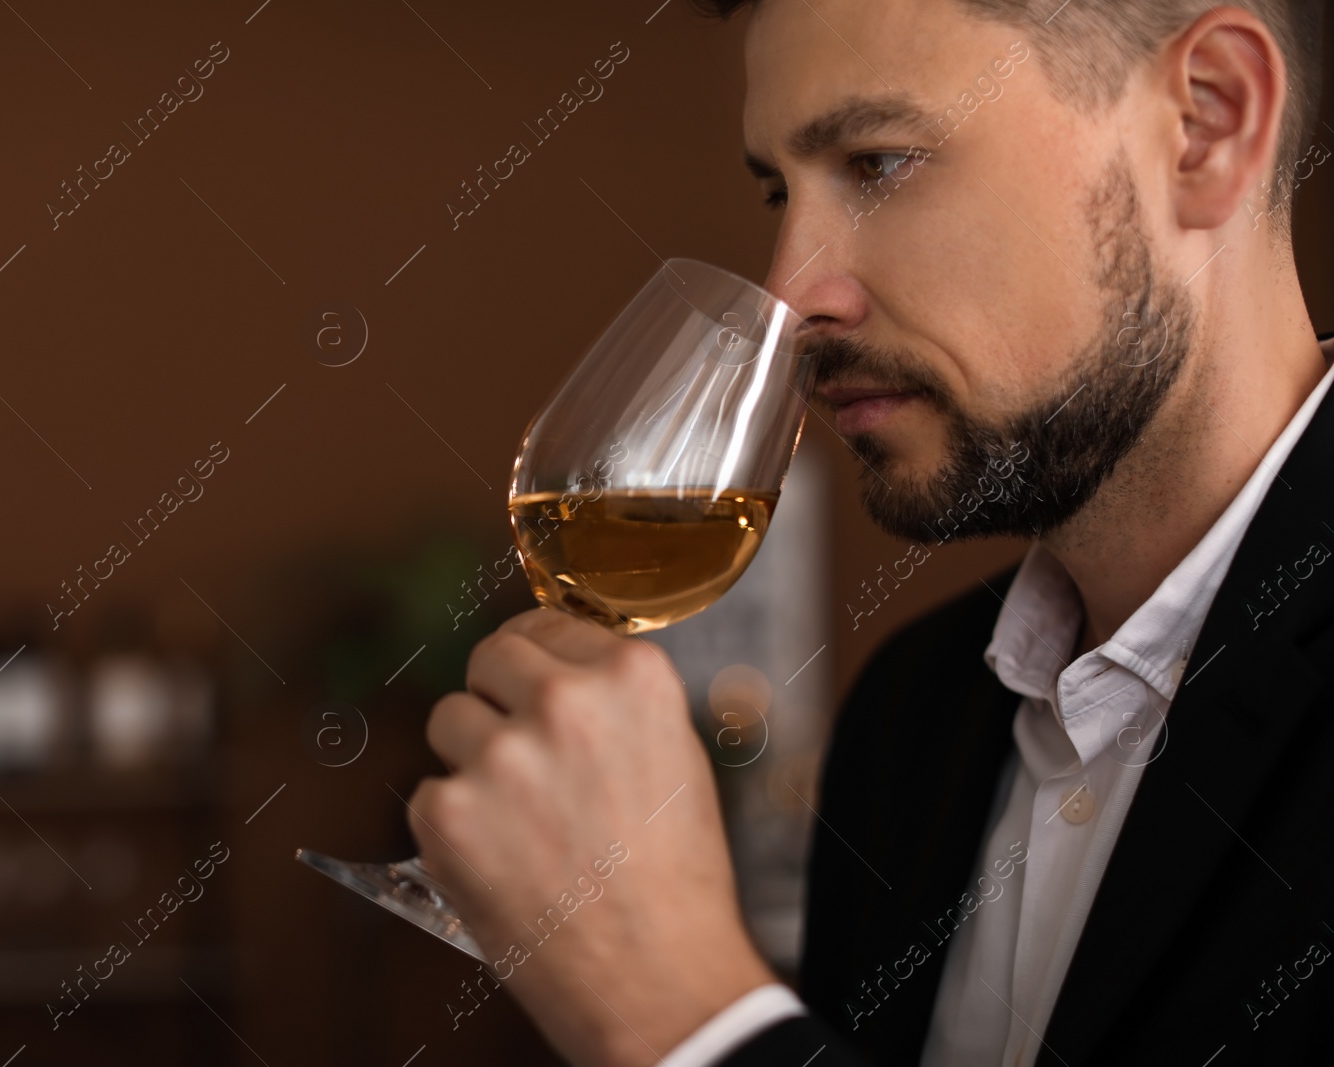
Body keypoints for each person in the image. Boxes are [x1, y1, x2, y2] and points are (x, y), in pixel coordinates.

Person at [407, 0, 1334, 1063]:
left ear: (1206, 123)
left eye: (878, 163)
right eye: (776, 190)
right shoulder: (907, 716)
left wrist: (686, 1019)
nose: (793, 292)